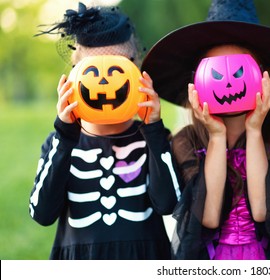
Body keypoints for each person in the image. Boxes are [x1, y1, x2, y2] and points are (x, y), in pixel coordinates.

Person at [141, 0, 270, 260]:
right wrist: (216, 136)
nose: (228, 82)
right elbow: (209, 216)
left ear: (262, 77)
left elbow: (263, 211)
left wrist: (254, 131)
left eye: (239, 71)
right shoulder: (186, 141)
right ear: (198, 81)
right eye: (215, 73)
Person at [29, 2, 180, 259]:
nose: (104, 83)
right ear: (74, 78)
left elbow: (169, 204)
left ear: (137, 73)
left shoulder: (152, 138)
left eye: (116, 71)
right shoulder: (61, 142)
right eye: (91, 72)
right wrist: (65, 135)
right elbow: (42, 213)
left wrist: (153, 129)